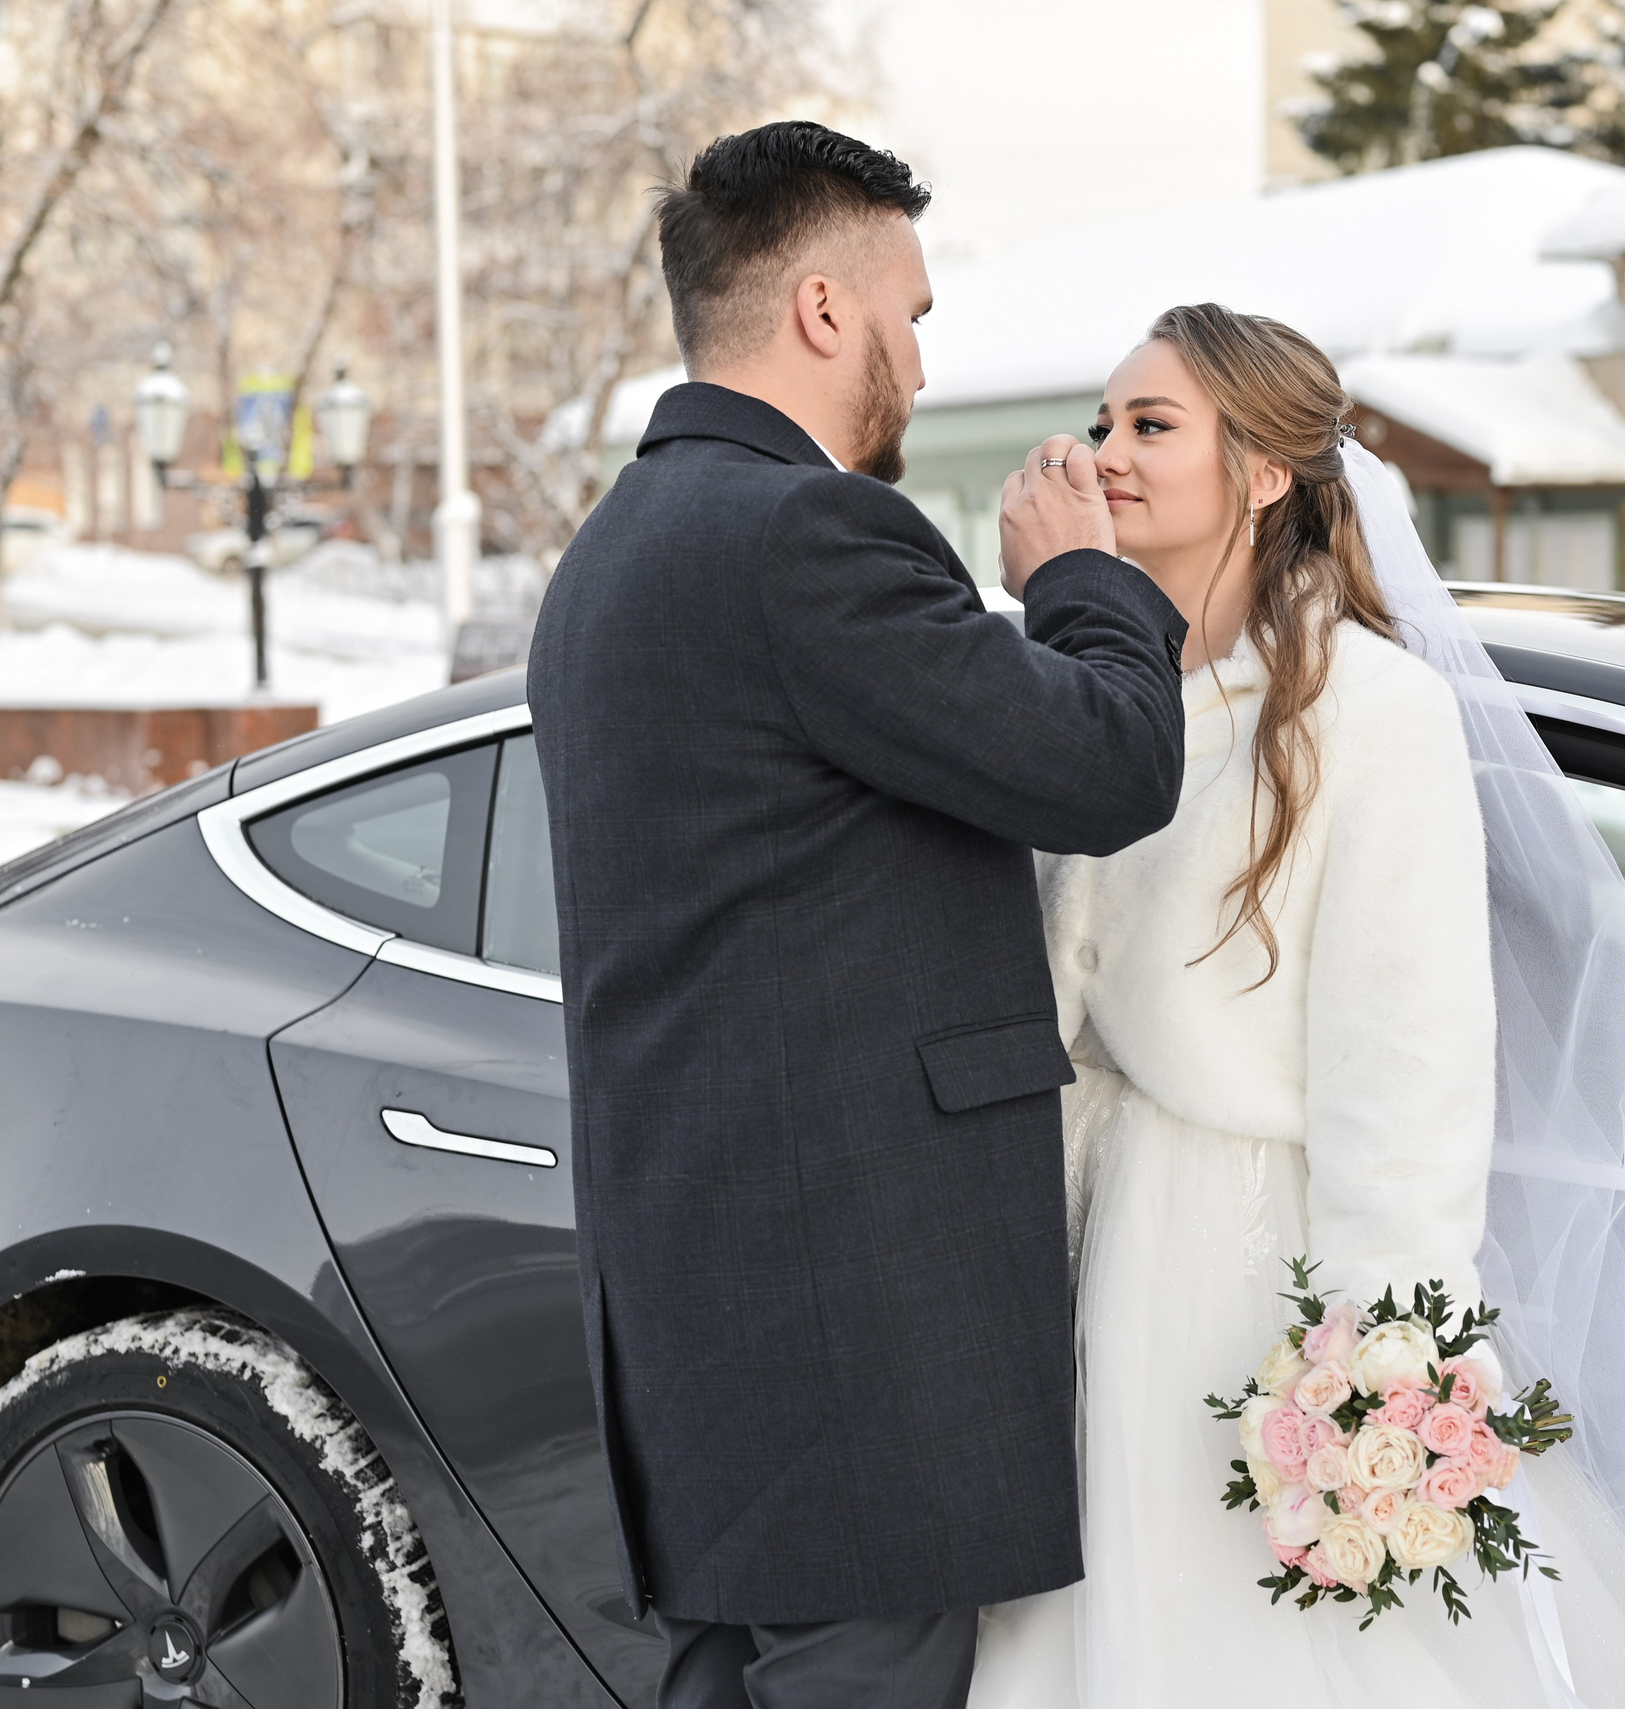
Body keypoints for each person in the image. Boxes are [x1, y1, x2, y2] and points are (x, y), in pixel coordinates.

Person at [968, 305, 1625, 1709]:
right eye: (1101, 421)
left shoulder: (1371, 712)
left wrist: (1379, 1375)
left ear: (1263, 472)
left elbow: (1409, 1072)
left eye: (1151, 424)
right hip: (1080, 1243)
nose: (1104, 453)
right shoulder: (1088, 698)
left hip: (1252, 1269)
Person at [525, 123, 1190, 1709]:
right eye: (913, 312)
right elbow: (1108, 766)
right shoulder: (810, 535)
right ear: (825, 310)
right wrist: (1078, 581)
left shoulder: (613, 550)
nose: (922, 358)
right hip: (849, 1333)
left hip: (705, 1307)